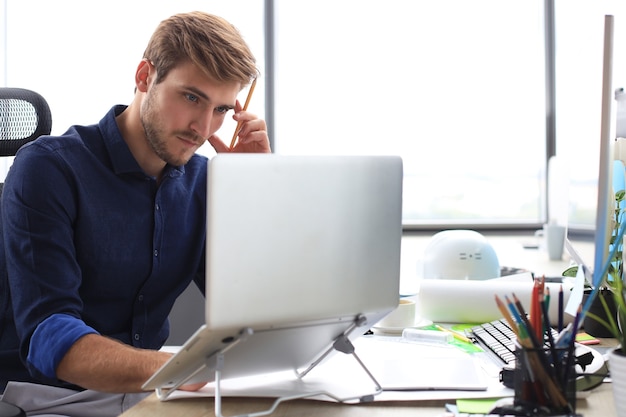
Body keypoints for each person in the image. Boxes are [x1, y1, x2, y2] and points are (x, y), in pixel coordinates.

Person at [0, 11, 270, 416]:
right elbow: (49, 338)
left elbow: (250, 311)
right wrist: (181, 370)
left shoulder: (202, 181)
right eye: (192, 97)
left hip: (146, 395)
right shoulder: (48, 168)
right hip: (47, 399)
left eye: (220, 110)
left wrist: (251, 192)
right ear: (145, 76)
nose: (202, 127)